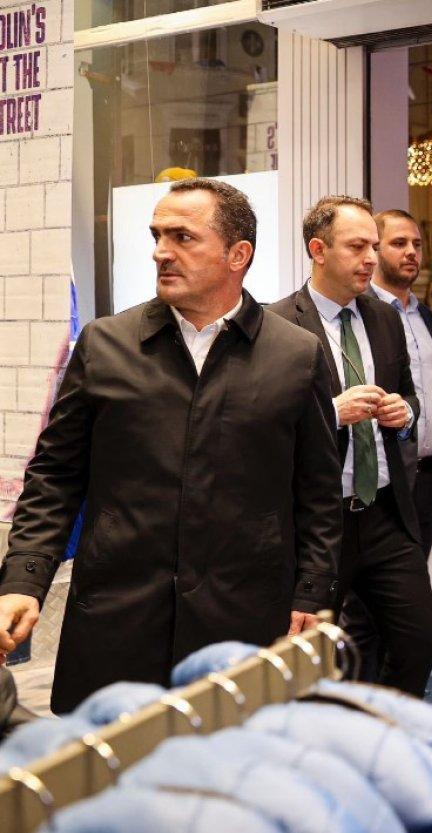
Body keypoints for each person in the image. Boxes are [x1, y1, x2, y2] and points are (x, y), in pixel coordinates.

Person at [0, 179, 343, 711]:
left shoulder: (297, 355)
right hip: (117, 618)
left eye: (183, 237)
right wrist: (23, 578)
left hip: (243, 621)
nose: (162, 251)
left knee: (223, 778)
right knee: (105, 778)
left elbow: (318, 491)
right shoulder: (106, 345)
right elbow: (55, 477)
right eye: (158, 236)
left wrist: (313, 593)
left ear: (238, 254)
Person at [267, 195, 432, 698]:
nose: (371, 258)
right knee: (306, 652)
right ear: (318, 250)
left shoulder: (384, 318)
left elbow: (408, 392)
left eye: (373, 246)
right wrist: (331, 412)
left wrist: (404, 413)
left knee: (419, 641)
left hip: (386, 514)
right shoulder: (277, 325)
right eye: (357, 246)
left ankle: (380, 732)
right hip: (320, 523)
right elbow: (261, 428)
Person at [369, 208, 432, 555]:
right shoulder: (360, 312)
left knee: (418, 585)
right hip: (382, 482)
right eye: (398, 243)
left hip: (429, 480)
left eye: (417, 244)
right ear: (375, 250)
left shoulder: (427, 317)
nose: (411, 252)